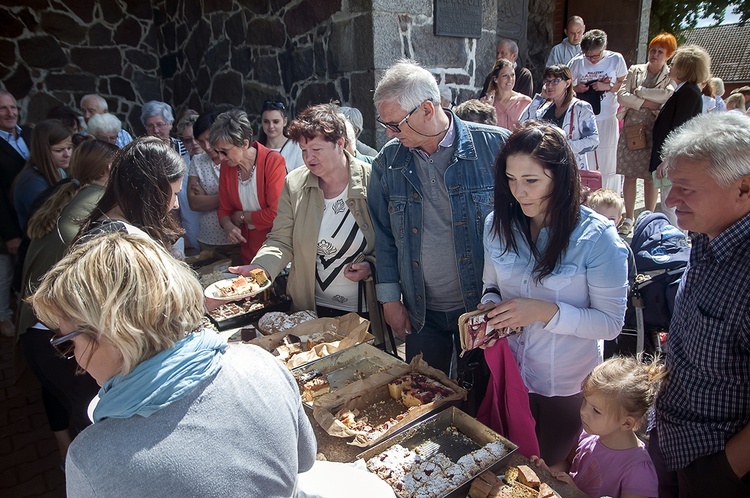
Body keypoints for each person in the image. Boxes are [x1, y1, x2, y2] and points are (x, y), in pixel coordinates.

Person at [29, 231, 317, 497]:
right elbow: (304, 458)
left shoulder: (90, 460)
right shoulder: (263, 365)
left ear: (116, 334)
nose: (76, 362)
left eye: (70, 343)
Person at [479, 122, 628, 465]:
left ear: (560, 178)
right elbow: (491, 286)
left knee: (552, 471)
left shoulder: (597, 237)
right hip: (511, 375)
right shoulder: (497, 224)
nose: (520, 192)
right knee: (509, 468)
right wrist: (489, 311)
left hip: (567, 384)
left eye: (531, 180)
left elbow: (609, 324)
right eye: (511, 179)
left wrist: (543, 311)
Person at [368, 59, 508, 375]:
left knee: (481, 406)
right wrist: (390, 299)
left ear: (428, 110)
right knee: (424, 400)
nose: (390, 133)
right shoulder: (387, 163)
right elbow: (384, 237)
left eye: (395, 124)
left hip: (485, 311)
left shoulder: (497, 147)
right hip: (422, 313)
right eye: (385, 124)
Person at [648, 112, 750, 497]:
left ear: (744, 188)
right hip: (675, 444)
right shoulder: (708, 234)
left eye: (685, 189)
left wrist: (722, 471)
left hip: (718, 471)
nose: (670, 201)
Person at [16, 138, 118, 464]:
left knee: (65, 400)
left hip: (34, 333)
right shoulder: (96, 203)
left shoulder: (65, 194)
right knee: (89, 415)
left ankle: (65, 456)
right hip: (56, 335)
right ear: (109, 168)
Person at [244, 105, 381, 331]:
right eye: (304, 150)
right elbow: (280, 239)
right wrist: (259, 270)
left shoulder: (372, 179)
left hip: (366, 308)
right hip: (311, 307)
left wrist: (372, 266)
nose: (309, 158)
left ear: (340, 143)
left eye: (316, 149)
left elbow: (392, 241)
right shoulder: (294, 183)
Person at [530, 356, 663, 498]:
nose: (583, 412)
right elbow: (569, 464)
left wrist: (575, 493)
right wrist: (547, 474)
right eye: (585, 401)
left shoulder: (638, 471)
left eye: (596, 410)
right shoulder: (588, 434)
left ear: (626, 423)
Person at [615, 33, 676, 236]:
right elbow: (622, 96)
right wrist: (647, 102)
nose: (655, 54)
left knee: (651, 177)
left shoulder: (670, 75)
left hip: (654, 129)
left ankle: (649, 219)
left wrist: (640, 92)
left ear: (668, 55)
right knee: (629, 175)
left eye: (660, 51)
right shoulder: (635, 70)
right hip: (632, 127)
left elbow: (667, 97)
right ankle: (630, 217)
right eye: (653, 50)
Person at [78, 137, 185, 251]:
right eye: (175, 194)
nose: (176, 204)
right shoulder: (115, 243)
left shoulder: (112, 229)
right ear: (151, 191)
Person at [210, 109, 286, 264]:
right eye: (217, 152)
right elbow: (224, 209)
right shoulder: (227, 166)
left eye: (224, 151)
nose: (220, 158)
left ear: (245, 143)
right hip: (247, 249)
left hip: (275, 249)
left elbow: (276, 213)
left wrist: (242, 216)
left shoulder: (273, 161)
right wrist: (227, 226)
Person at [651, 45, 710, 228]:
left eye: (674, 63)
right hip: (671, 158)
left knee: (671, 205)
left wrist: (667, 160)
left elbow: (681, 129)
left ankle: (676, 243)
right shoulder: (684, 91)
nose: (670, 66)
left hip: (674, 160)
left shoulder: (688, 93)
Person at [569, 29, 627, 192]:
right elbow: (567, 85)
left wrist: (606, 86)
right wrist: (577, 88)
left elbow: (625, 83)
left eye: (595, 56)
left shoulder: (615, 59)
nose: (592, 60)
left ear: (603, 49)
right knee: (587, 158)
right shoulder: (577, 62)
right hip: (585, 117)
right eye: (588, 56)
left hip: (607, 115)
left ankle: (609, 195)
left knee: (608, 158)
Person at [141, 100, 199, 251]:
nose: (155, 130)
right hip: (162, 218)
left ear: (170, 124)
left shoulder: (184, 148)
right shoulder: (143, 154)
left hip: (189, 212)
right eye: (150, 125)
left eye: (160, 124)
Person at [520, 64, 599, 170]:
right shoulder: (545, 108)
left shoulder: (581, 108)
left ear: (567, 83)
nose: (550, 86)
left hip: (570, 168)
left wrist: (562, 147)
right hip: (545, 167)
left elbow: (593, 141)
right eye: (548, 81)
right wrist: (540, 98)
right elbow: (523, 123)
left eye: (555, 81)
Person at [186, 112, 240, 262]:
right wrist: (227, 197)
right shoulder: (197, 161)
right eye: (201, 141)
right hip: (208, 239)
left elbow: (240, 199)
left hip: (235, 237)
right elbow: (194, 203)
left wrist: (207, 198)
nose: (207, 147)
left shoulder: (234, 160)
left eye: (209, 140)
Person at [0, 90, 30, 337]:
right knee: (5, 273)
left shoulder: (28, 135)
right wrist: (9, 234)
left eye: (13, 107)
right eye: (3, 109)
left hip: (30, 216)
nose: (10, 113)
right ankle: (4, 317)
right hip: (7, 221)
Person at [12, 119, 73, 231]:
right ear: (43, 150)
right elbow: (47, 222)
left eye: (69, 148)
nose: (67, 154)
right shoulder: (32, 182)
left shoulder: (60, 170)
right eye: (59, 150)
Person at [480, 58, 532, 130]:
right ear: (496, 79)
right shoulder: (485, 102)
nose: (510, 79)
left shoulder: (525, 102)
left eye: (512, 75)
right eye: (505, 76)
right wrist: (488, 108)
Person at [258, 100, 304, 172]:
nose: (271, 126)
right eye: (266, 122)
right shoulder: (257, 149)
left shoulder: (296, 147)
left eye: (276, 122)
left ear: (285, 121)